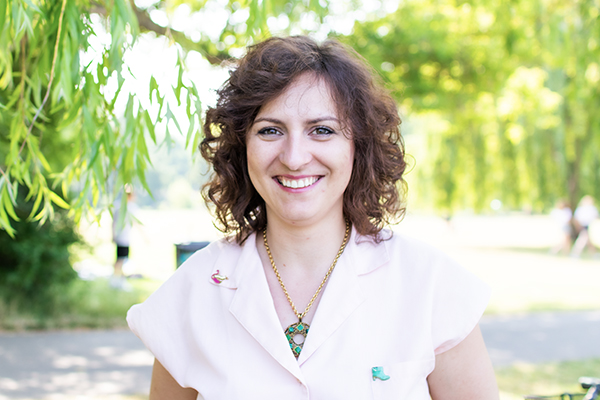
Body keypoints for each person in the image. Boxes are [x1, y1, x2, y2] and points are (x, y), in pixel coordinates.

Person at [127, 36, 499, 399]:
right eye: (270, 130)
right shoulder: (193, 292)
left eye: (322, 130)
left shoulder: (431, 285)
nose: (294, 157)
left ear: (359, 147)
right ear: (242, 148)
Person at [111, 186, 139, 290]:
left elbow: (113, 223)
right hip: (124, 237)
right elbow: (136, 222)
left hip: (120, 236)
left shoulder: (118, 206)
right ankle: (118, 280)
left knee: (120, 259)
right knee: (121, 259)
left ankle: (117, 279)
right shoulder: (129, 207)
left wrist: (113, 235)